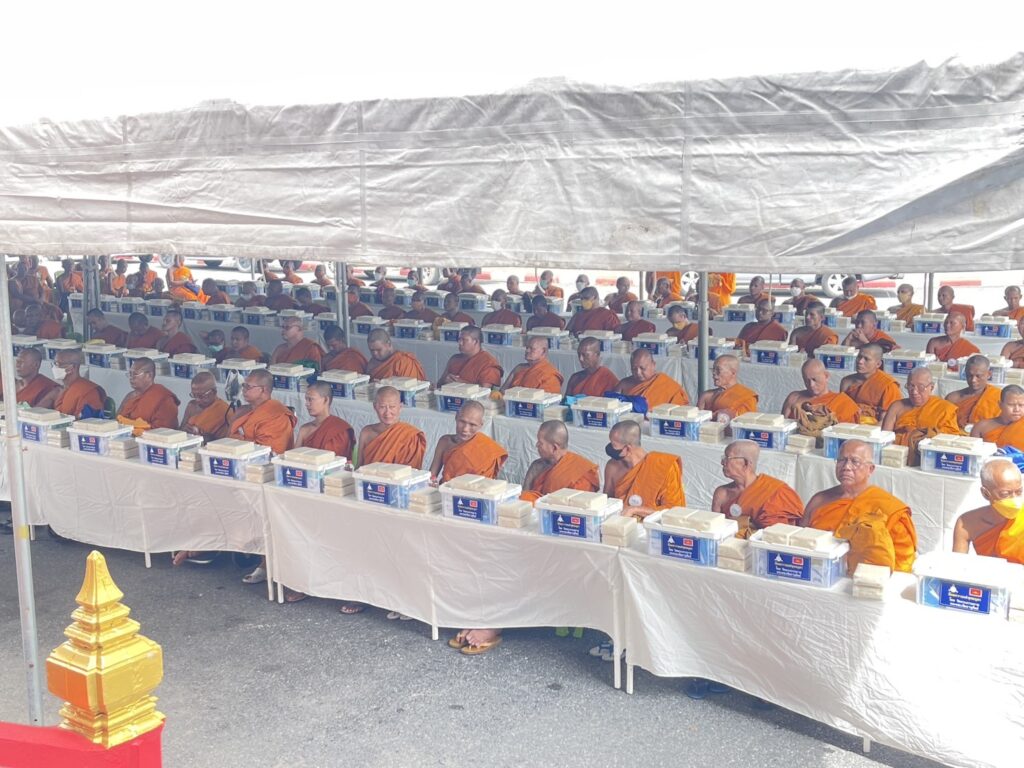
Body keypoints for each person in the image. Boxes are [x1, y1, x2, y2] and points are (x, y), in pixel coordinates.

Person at [802, 439, 918, 572]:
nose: (846, 467)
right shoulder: (819, 500)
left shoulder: (889, 509)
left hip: (867, 580)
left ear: (870, 469)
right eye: (841, 460)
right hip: (818, 574)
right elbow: (799, 542)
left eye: (855, 461)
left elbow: (902, 566)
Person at [711, 440, 802, 537]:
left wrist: (740, 526)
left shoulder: (777, 492)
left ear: (745, 463)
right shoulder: (722, 494)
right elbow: (714, 531)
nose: (722, 462)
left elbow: (776, 536)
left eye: (727, 458)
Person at [603, 421, 685, 518]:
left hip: (653, 524)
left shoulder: (665, 467)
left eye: (613, 445)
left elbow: (675, 510)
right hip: (620, 523)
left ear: (628, 448)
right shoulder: (612, 467)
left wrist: (635, 510)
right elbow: (607, 502)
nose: (610, 448)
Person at [880, 367, 962, 465]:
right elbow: (884, 438)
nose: (914, 392)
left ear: (931, 387)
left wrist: (919, 436)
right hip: (895, 459)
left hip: (928, 460)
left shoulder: (944, 409)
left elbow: (949, 438)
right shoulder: (896, 406)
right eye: (911, 386)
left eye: (921, 387)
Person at [952, 459, 1024, 564]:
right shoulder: (966, 523)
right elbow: (957, 565)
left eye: (1019, 492)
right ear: (985, 493)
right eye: (1005, 494)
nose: (1014, 499)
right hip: (988, 573)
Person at [520, 421, 600, 503]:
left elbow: (581, 505)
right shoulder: (536, 466)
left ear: (554, 448)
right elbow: (523, 500)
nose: (537, 445)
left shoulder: (580, 475)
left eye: (540, 443)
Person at [429, 401, 508, 484]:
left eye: (472, 425)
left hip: (473, 491)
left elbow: (486, 485)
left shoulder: (488, 449)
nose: (465, 429)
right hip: (445, 489)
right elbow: (431, 476)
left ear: (481, 424)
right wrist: (432, 483)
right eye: (462, 422)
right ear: (456, 417)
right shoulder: (444, 442)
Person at [782, 358, 860, 437]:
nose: (811, 385)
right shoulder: (794, 398)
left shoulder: (843, 402)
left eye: (814, 379)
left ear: (826, 376)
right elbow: (781, 430)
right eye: (806, 380)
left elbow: (847, 437)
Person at [355, 386, 427, 468]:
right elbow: (359, 466)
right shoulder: (366, 432)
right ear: (375, 407)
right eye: (382, 407)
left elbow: (412, 472)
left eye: (392, 407)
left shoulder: (411, 437)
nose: (387, 412)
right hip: (367, 476)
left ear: (400, 407)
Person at [228, 369, 296, 455]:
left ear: (263, 389)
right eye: (243, 385)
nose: (244, 390)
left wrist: (239, 441)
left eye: (248, 387)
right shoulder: (242, 410)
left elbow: (269, 452)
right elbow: (227, 439)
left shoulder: (278, 416)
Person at [839, 344, 902, 423]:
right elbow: (842, 410)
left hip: (874, 427)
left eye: (866, 359)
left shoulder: (888, 385)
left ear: (878, 364)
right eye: (859, 357)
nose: (860, 361)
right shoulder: (846, 381)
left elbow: (887, 419)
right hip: (848, 425)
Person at [117, 357, 180, 435]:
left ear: (149, 375)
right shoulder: (130, 396)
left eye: (135, 374)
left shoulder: (164, 399)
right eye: (130, 374)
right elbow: (118, 420)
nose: (131, 378)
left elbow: (164, 432)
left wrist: (135, 430)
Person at [298, 382, 355, 459]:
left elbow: (338, 461)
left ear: (326, 400)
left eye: (311, 399)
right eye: (306, 399)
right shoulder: (304, 429)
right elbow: (293, 458)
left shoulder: (340, 430)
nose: (307, 404)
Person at [616, 348, 689, 408]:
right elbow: (612, 405)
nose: (638, 372)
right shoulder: (624, 384)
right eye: (634, 369)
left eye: (642, 368)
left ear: (653, 365)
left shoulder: (668, 386)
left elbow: (680, 412)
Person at [946, 354, 1002, 430]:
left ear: (989, 375)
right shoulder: (952, 398)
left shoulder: (998, 397)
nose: (973, 380)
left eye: (978, 376)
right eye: (970, 375)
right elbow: (945, 425)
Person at [696, 354, 758, 421]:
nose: (714, 373)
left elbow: (747, 421)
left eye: (718, 370)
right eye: (713, 369)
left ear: (733, 373)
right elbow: (695, 421)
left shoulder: (747, 397)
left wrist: (723, 416)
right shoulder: (706, 396)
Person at [438, 326, 504, 388]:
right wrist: (445, 380)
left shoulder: (488, 362)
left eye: (464, 340)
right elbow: (439, 384)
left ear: (476, 342)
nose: (460, 343)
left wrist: (459, 383)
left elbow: (485, 389)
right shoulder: (455, 359)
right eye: (459, 339)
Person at [52, 349, 106, 418]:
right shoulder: (64, 388)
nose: (55, 368)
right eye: (55, 364)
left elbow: (84, 420)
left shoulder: (88, 391)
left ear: (73, 367)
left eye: (59, 364)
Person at [181, 371, 233, 441]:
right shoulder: (191, 406)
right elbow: (180, 430)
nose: (197, 399)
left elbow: (225, 441)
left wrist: (202, 436)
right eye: (194, 395)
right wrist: (184, 430)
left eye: (201, 396)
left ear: (214, 392)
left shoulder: (225, 411)